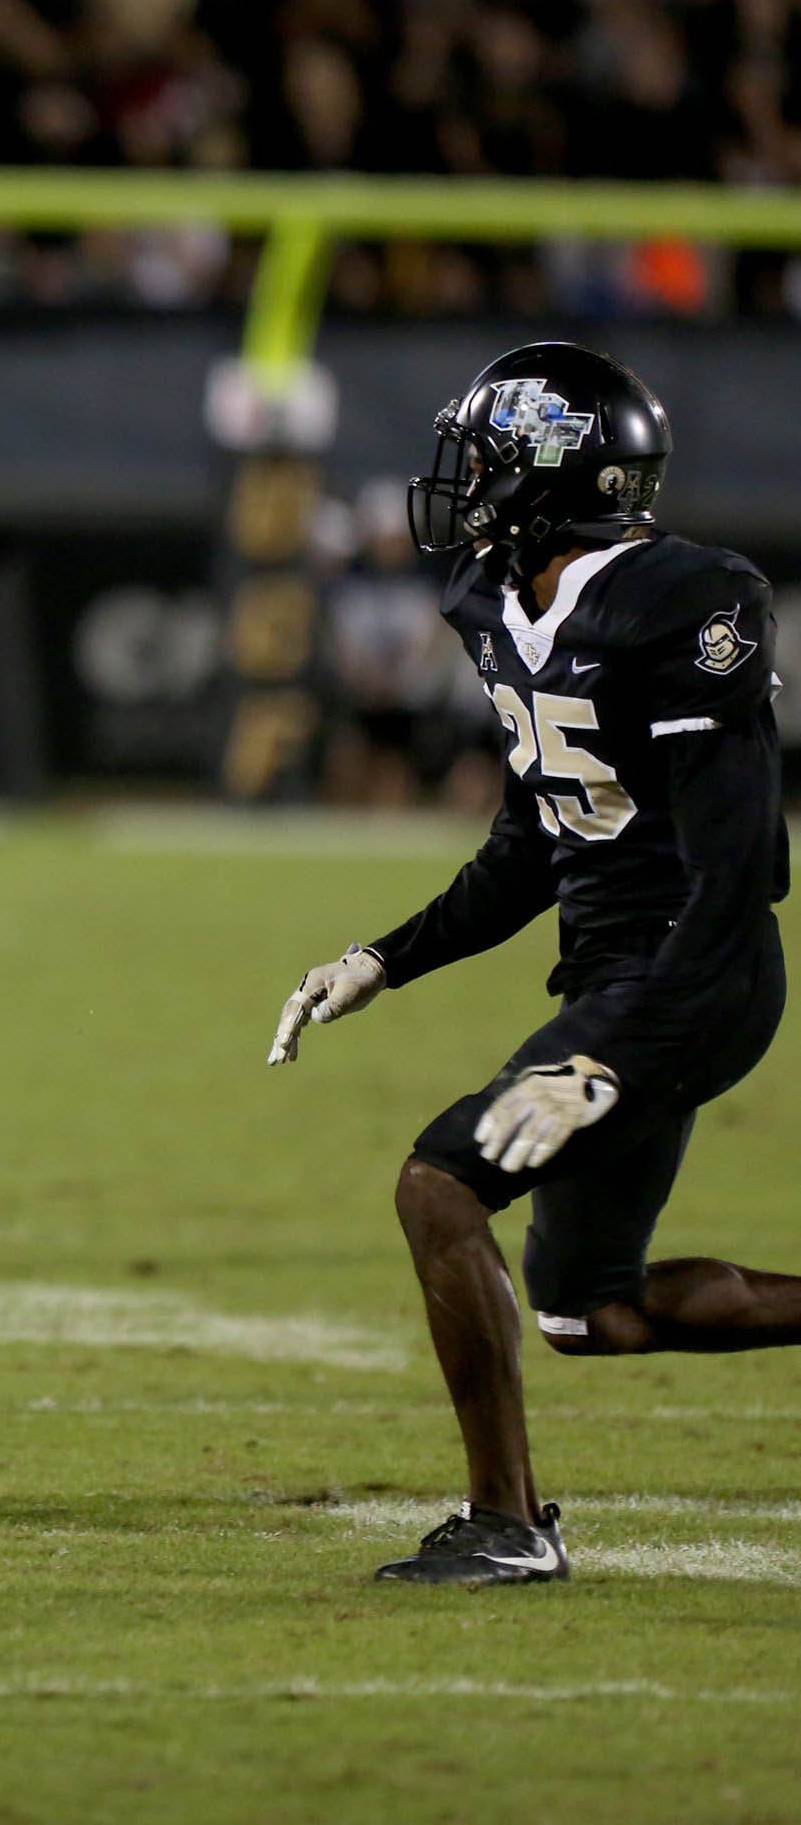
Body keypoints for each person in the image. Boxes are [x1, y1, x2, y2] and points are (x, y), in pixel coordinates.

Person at [267, 342, 801, 1585]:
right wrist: (382, 958)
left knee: (439, 1186)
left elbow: (740, 880)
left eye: (486, 462)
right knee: (593, 1312)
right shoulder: (495, 601)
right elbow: (531, 839)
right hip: (614, 968)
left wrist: (609, 1061)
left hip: (695, 968)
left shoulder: (685, 598)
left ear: (553, 477)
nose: (460, 486)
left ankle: (509, 1523)